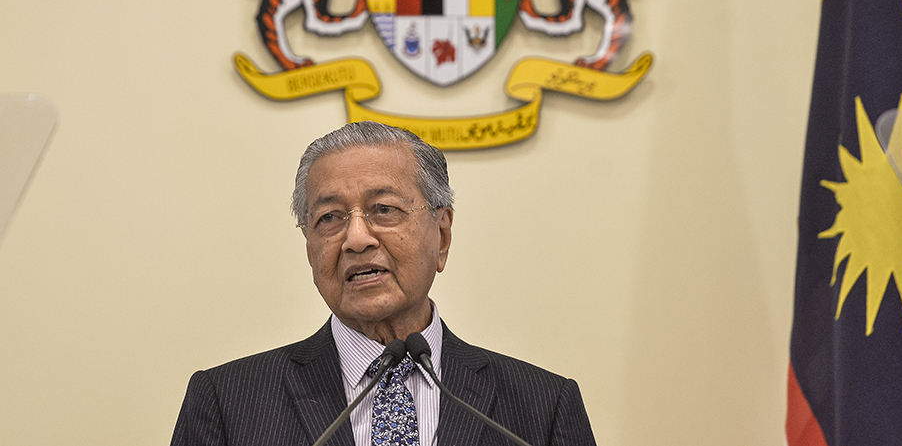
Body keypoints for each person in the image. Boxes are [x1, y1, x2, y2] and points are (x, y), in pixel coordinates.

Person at [170, 121, 597, 446]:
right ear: (309, 245)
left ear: (442, 234)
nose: (356, 239)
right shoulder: (227, 403)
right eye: (329, 218)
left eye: (384, 210)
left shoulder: (543, 408)